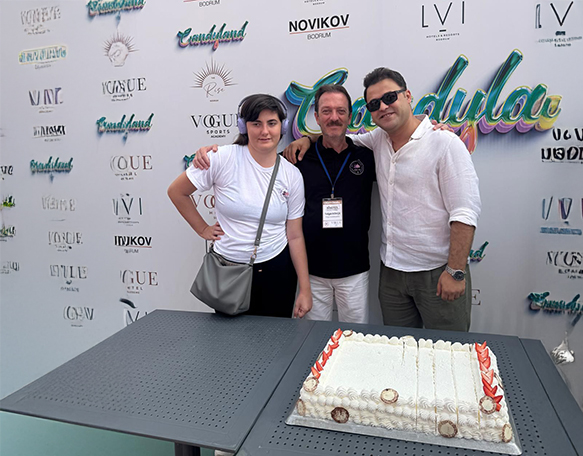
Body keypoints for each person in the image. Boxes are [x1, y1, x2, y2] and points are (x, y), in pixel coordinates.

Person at [285, 68, 481, 332]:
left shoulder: (445, 143)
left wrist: (455, 271)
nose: (383, 107)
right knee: (397, 347)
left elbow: (464, 213)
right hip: (392, 273)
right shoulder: (376, 141)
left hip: (437, 272)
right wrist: (307, 139)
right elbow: (336, 136)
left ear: (407, 96)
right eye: (375, 104)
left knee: (446, 347)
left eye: (390, 97)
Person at [194, 85, 376, 323]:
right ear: (316, 117)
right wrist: (207, 152)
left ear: (350, 116)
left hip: (354, 269)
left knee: (355, 336)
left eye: (341, 111)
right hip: (311, 271)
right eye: (326, 111)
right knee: (311, 339)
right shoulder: (297, 158)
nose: (334, 117)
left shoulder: (367, 156)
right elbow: (260, 162)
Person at [167, 94, 312, 321]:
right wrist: (203, 229)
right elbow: (177, 191)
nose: (265, 131)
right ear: (244, 127)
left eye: (272, 123)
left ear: (282, 127)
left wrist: (305, 289)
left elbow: (294, 236)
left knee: (276, 339)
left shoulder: (291, 175)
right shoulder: (221, 158)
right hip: (227, 271)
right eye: (256, 124)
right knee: (228, 340)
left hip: (277, 272)